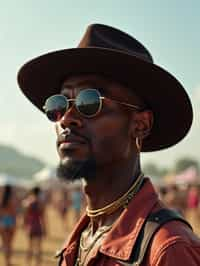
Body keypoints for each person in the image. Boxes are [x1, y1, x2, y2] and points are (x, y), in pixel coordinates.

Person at [17, 23, 200, 265]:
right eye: (59, 105)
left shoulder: (167, 249)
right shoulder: (80, 238)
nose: (67, 118)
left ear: (140, 125)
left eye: (89, 101)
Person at [23, 186, 46, 265]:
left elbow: (25, 216)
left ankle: (28, 263)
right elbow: (42, 217)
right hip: (38, 226)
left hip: (30, 226)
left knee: (29, 247)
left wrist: (24, 225)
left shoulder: (28, 202)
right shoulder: (40, 203)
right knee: (38, 248)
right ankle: (37, 264)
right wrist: (45, 228)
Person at [0, 185, 17, 266]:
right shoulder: (11, 200)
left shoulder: (1, 200)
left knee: (4, 243)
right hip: (10, 221)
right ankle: (8, 261)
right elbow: (14, 213)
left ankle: (6, 260)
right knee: (10, 243)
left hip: (2, 221)